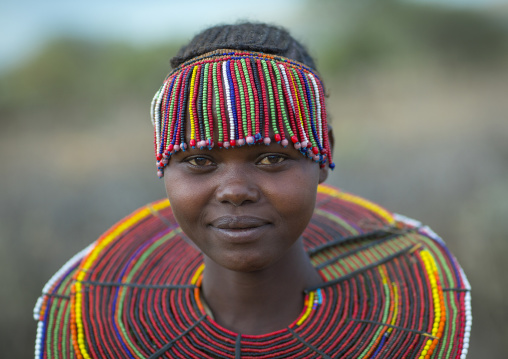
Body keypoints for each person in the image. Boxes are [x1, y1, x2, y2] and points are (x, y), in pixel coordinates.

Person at [34, 23, 471, 358]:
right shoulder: (104, 336)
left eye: (272, 158)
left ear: (323, 156)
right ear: (163, 165)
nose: (235, 191)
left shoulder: (402, 337)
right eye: (200, 160)